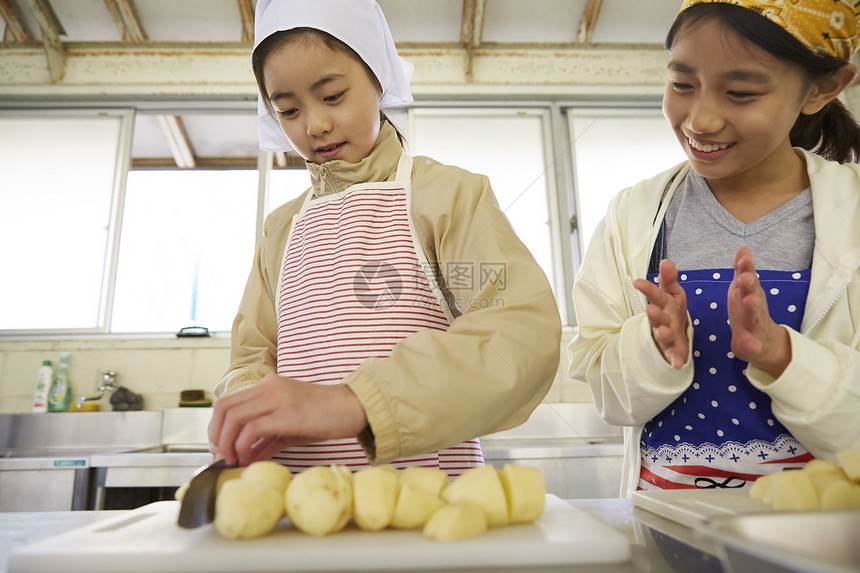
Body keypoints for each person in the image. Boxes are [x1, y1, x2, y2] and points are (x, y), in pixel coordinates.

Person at [208, 0, 561, 477]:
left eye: (332, 96)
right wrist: (246, 407)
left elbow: (520, 330)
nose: (314, 125)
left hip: (428, 497)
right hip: (301, 498)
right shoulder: (281, 228)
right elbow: (253, 354)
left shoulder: (447, 196)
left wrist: (359, 402)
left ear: (377, 79)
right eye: (287, 110)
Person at [569, 0, 860, 496]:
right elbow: (607, 395)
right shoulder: (633, 213)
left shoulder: (850, 209)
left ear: (822, 88)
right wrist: (653, 349)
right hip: (666, 524)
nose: (700, 119)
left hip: (822, 533)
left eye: (741, 93)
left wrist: (785, 357)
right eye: (682, 84)